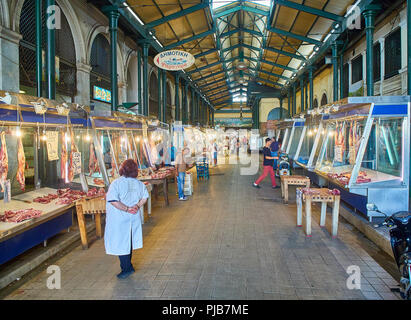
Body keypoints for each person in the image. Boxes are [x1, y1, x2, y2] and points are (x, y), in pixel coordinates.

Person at [105, 159, 149, 279]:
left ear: (122, 169)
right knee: (128, 242)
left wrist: (126, 209)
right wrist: (136, 206)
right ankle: (128, 266)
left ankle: (127, 268)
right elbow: (145, 197)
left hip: (120, 219)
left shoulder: (116, 183)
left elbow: (113, 200)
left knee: (121, 243)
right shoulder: (139, 184)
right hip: (133, 218)